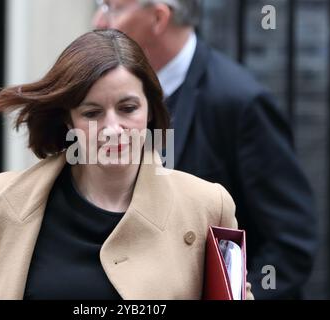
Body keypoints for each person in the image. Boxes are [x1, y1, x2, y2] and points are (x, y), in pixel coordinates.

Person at [0, 29, 253, 300]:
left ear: (151, 110)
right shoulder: (3, 199)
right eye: (92, 113)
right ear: (69, 120)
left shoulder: (206, 206)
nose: (112, 128)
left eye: (127, 108)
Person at [93, 0, 318, 299]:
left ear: (159, 17)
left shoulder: (240, 102)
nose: (99, 21)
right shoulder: (110, 93)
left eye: (113, 8)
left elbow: (290, 246)